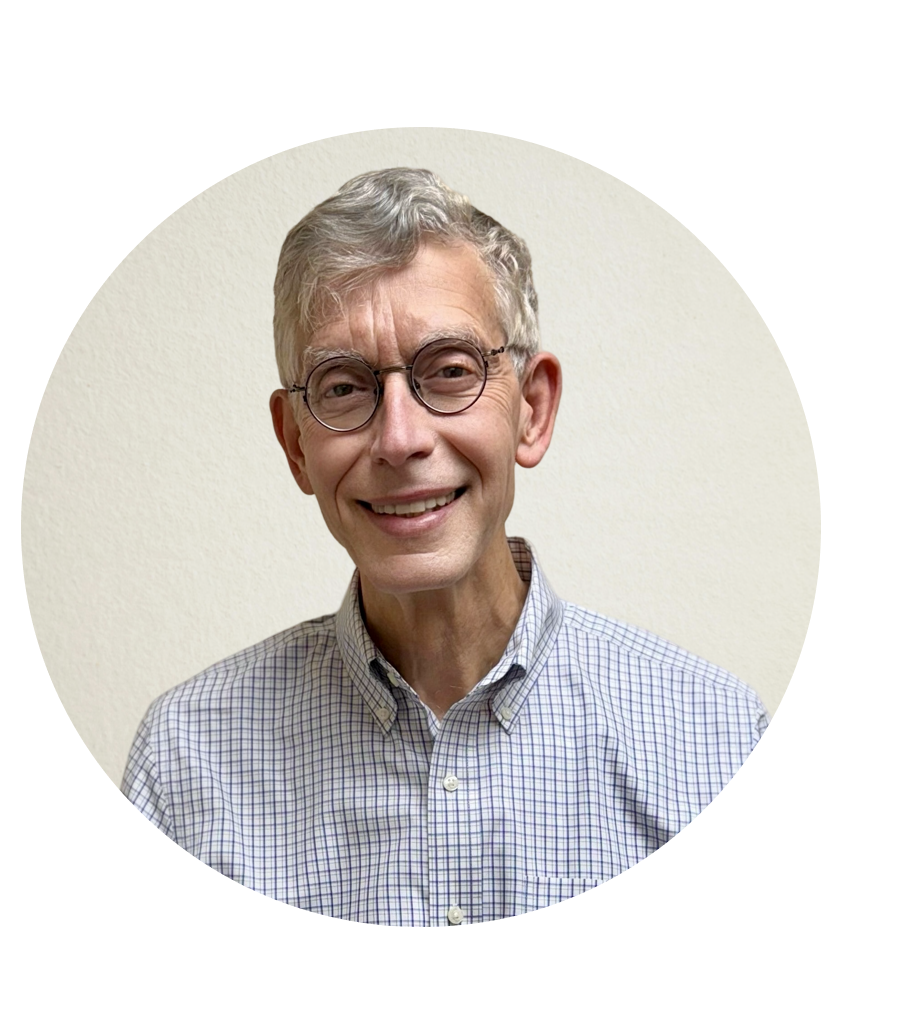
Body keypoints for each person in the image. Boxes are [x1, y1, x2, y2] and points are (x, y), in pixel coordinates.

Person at [122, 168, 768, 926]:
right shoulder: (185, 766)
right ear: (295, 444)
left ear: (532, 409)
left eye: (450, 373)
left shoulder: (719, 744)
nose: (400, 439)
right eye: (341, 387)